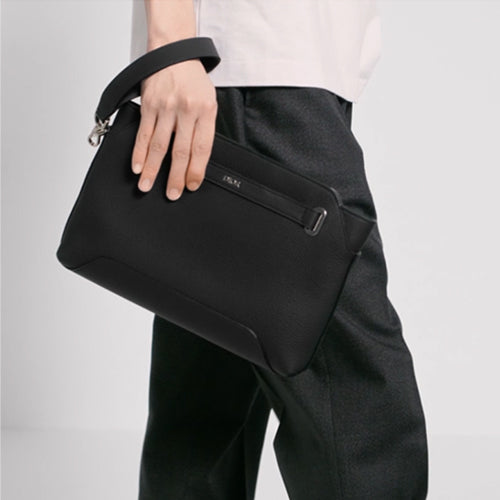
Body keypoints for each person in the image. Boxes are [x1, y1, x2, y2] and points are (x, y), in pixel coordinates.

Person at [129, 1, 429, 499]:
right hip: (257, 75)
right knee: (362, 406)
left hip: (274, 75)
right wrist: (172, 45)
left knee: (204, 409)